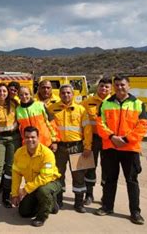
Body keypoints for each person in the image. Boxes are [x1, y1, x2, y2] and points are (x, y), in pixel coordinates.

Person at [95, 75, 147, 225]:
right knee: (110, 180)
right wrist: (112, 137)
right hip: (110, 148)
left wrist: (125, 140)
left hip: (130, 149)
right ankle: (107, 206)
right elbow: (100, 124)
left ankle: (135, 212)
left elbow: (143, 126)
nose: (119, 87)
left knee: (131, 181)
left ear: (129, 86)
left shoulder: (138, 104)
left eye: (122, 85)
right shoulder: (106, 103)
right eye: (117, 85)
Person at [48, 84, 92, 213]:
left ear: (73, 94)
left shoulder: (81, 110)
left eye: (68, 93)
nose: (66, 95)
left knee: (79, 176)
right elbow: (49, 127)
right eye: (63, 93)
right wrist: (53, 141)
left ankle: (79, 203)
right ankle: (59, 201)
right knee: (58, 175)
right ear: (59, 94)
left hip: (77, 147)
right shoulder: (52, 108)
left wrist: (87, 147)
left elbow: (88, 130)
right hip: (59, 147)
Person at [11, 126, 61, 227]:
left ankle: (42, 217)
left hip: (51, 183)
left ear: (38, 137)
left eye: (33, 137)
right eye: (27, 137)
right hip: (33, 185)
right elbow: (16, 174)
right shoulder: (19, 153)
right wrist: (15, 194)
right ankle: (50, 205)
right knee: (24, 212)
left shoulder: (47, 153)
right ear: (23, 138)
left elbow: (45, 177)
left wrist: (26, 189)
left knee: (43, 191)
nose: (30, 140)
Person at [81, 77, 112, 205]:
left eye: (107, 87)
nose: (103, 88)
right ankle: (89, 194)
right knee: (89, 167)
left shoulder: (113, 102)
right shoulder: (87, 102)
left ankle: (105, 196)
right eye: (101, 86)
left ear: (111, 89)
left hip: (108, 140)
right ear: (97, 87)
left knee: (107, 168)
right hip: (92, 139)